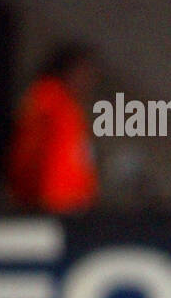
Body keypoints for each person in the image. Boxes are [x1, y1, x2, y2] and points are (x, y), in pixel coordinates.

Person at [6, 43, 100, 213]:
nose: (89, 81)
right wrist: (54, 204)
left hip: (62, 206)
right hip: (55, 208)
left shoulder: (62, 105)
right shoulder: (52, 104)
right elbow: (50, 161)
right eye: (85, 73)